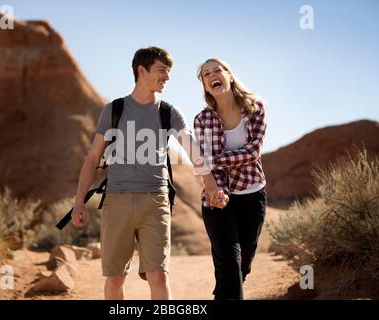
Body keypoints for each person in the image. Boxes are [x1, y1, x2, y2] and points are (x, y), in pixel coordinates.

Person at [70, 47, 221, 300]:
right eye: (162, 70)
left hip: (156, 201)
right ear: (141, 70)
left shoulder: (169, 112)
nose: (167, 78)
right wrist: (78, 201)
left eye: (168, 72)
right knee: (116, 278)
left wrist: (211, 184)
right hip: (117, 200)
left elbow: (192, 150)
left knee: (159, 276)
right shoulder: (114, 110)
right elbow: (92, 158)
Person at [193, 58, 268, 300]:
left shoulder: (255, 107)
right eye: (206, 74)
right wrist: (216, 190)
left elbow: (253, 151)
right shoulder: (202, 119)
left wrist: (212, 161)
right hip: (217, 198)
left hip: (252, 194)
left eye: (218, 70)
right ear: (205, 85)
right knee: (230, 263)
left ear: (230, 76)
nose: (212, 75)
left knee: (241, 266)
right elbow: (203, 163)